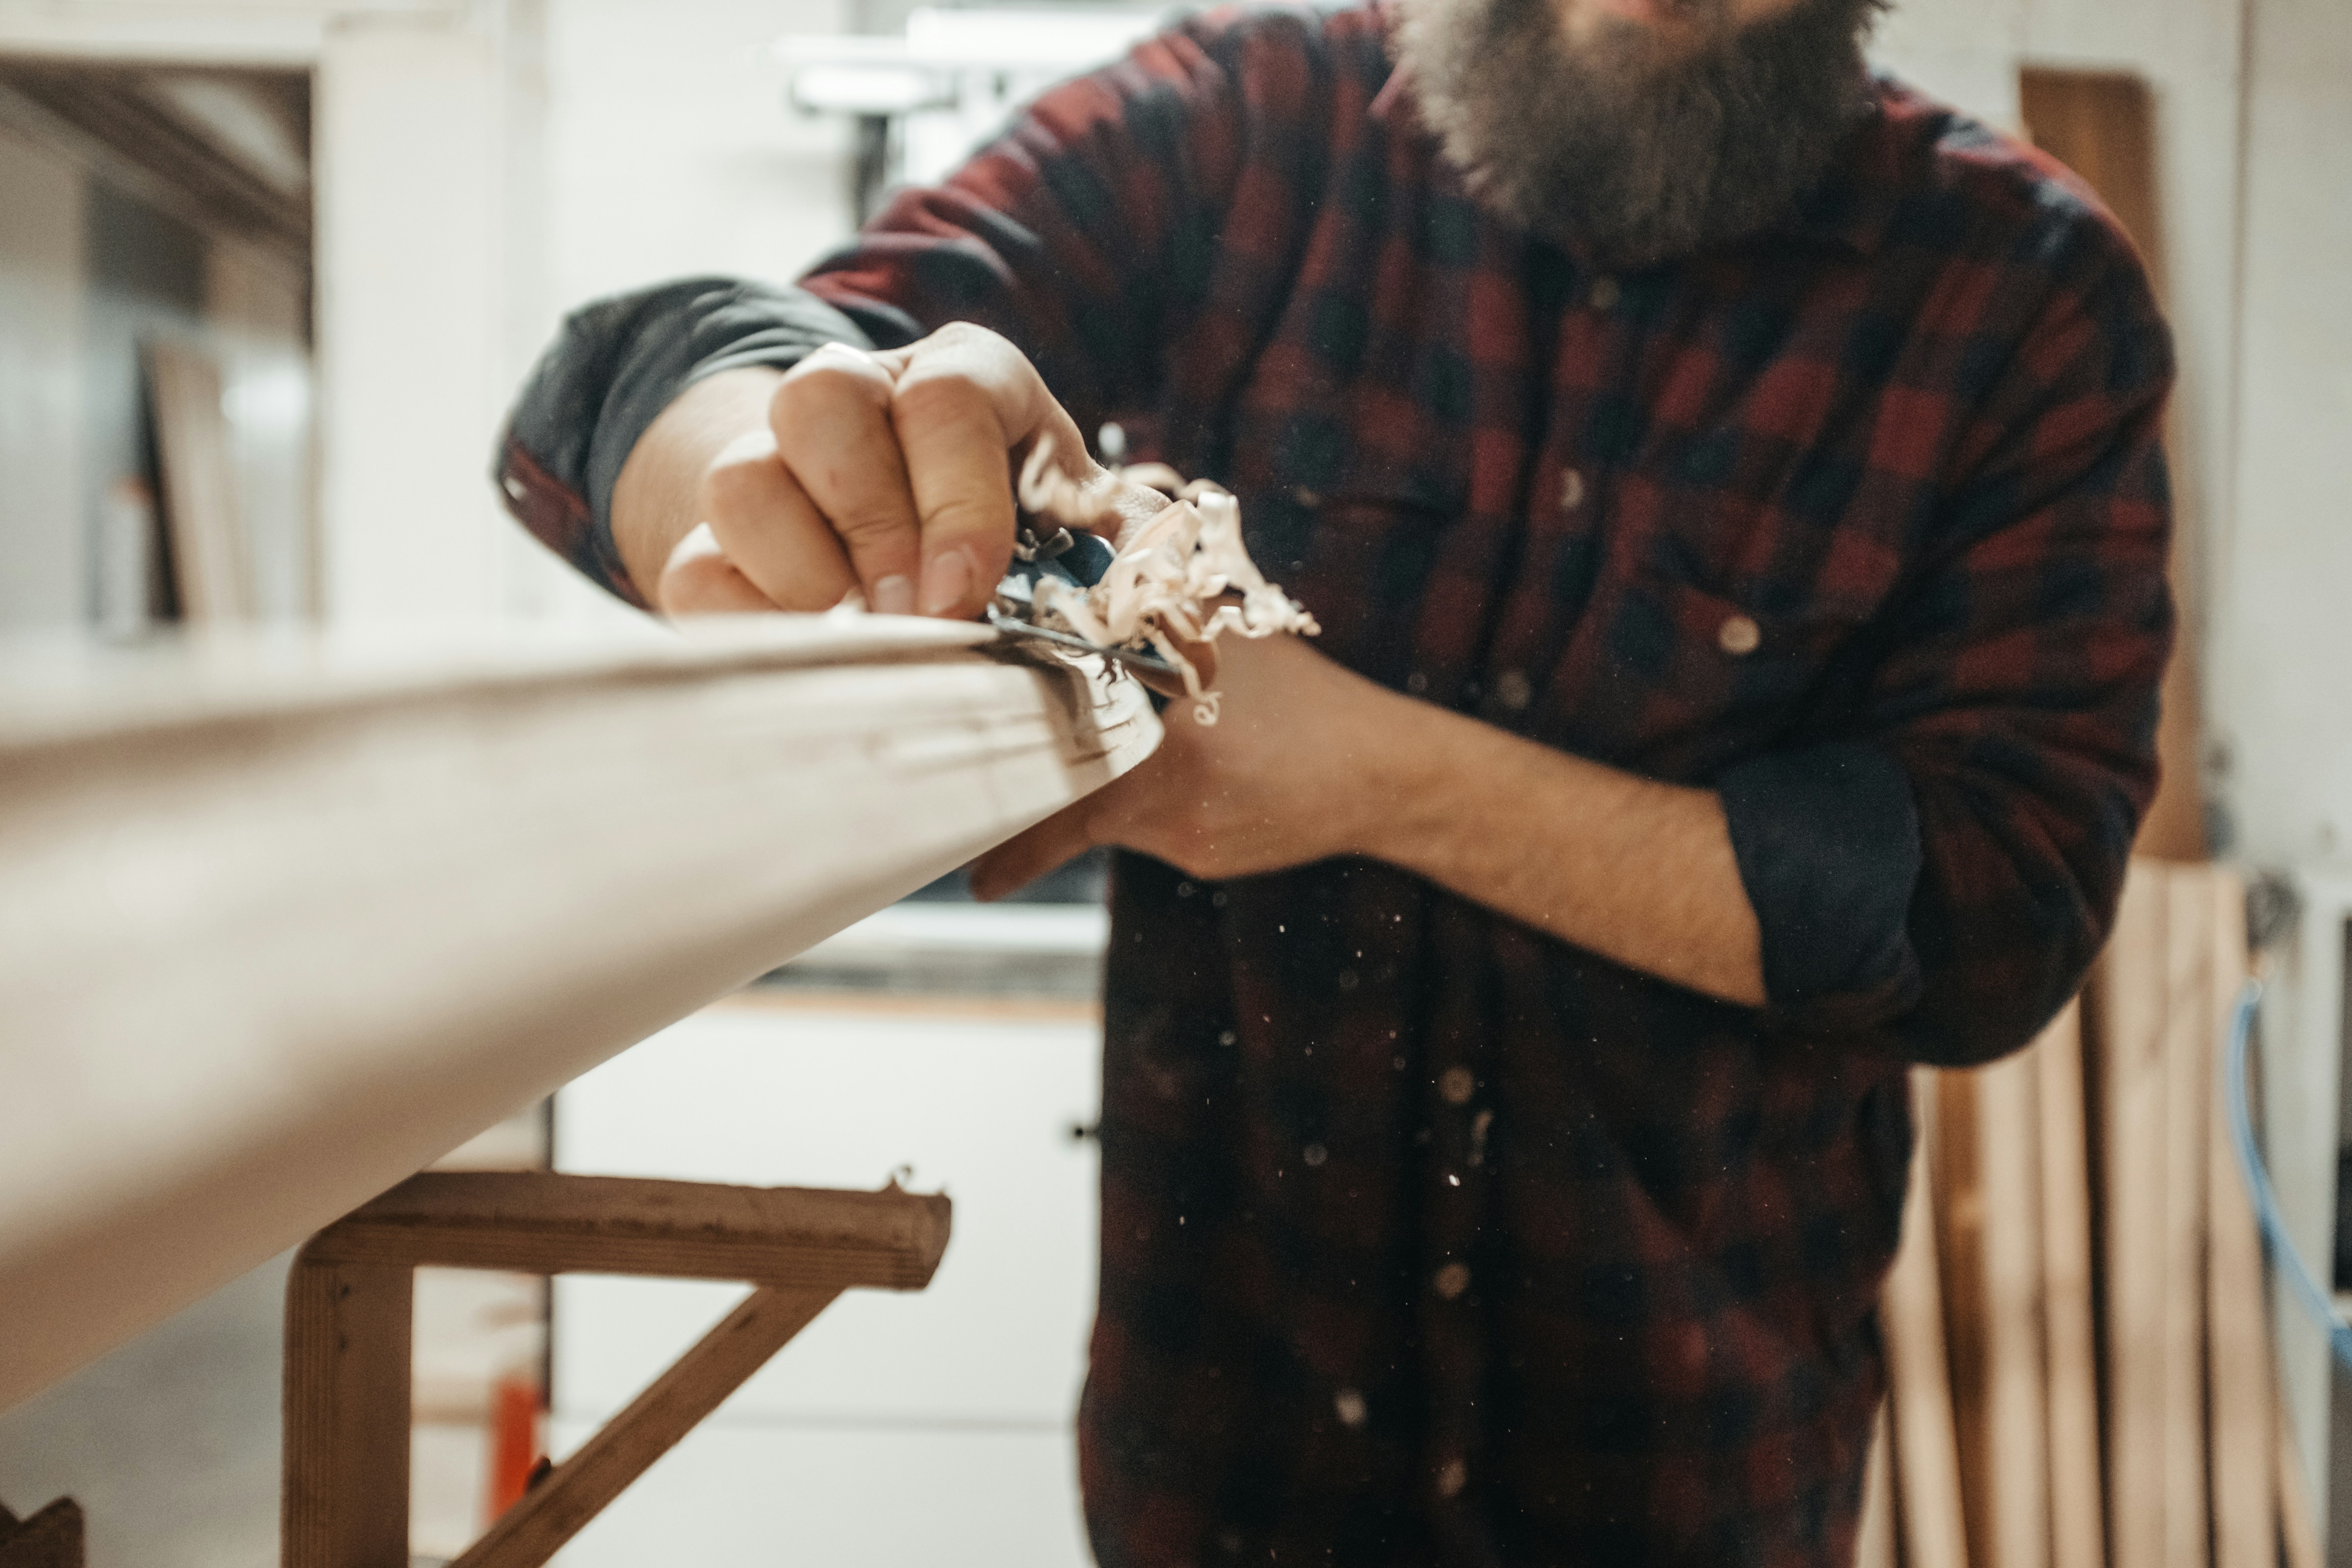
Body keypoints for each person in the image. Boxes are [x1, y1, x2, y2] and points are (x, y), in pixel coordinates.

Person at [495, 0, 2174, 1557]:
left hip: (1699, 1469)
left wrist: (1372, 776)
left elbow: (1989, 916)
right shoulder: (1242, 127)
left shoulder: (2023, 291)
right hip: (1222, 1453)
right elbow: (666, 363)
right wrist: (786, 454)